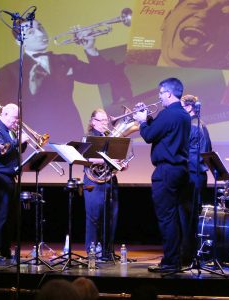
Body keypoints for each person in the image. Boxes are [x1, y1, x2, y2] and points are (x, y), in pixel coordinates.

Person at [0, 19, 132, 143]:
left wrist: (90, 48)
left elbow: (102, 77)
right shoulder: (9, 71)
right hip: (32, 137)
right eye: (31, 32)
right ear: (19, 41)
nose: (41, 34)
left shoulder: (65, 60)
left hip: (68, 131)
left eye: (41, 28)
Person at [133, 77, 192, 272]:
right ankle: (174, 260)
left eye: (160, 93)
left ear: (168, 93)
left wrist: (142, 122)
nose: (159, 97)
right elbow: (161, 131)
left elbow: (149, 136)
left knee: (166, 218)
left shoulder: (169, 114)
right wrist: (148, 118)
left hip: (166, 170)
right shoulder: (182, 114)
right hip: (180, 170)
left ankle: (170, 262)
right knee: (174, 217)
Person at [127, 0, 229, 70]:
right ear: (166, 19)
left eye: (227, 13)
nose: (204, 15)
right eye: (195, 4)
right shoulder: (129, 63)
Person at [0, 103, 29, 261]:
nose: (17, 121)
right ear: (4, 115)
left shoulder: (10, 131)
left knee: (11, 216)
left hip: (10, 177)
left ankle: (5, 248)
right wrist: (17, 141)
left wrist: (21, 144)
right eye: (15, 118)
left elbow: (14, 151)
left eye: (18, 118)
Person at [82, 108, 119, 258]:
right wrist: (104, 160)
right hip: (93, 181)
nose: (105, 123)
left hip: (110, 180)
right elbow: (84, 158)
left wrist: (121, 163)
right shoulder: (88, 138)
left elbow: (117, 157)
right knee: (94, 217)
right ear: (92, 122)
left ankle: (107, 251)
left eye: (106, 120)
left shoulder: (112, 137)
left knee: (111, 217)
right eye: (101, 120)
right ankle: (91, 251)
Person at [181, 94, 212, 210]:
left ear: (189, 108)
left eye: (181, 107)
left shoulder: (191, 126)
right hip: (200, 175)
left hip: (192, 174)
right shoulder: (202, 124)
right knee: (195, 212)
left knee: (189, 212)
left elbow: (183, 150)